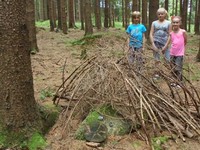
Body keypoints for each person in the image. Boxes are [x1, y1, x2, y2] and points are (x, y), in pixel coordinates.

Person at [163, 16, 187, 87]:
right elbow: (168, 41)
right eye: (174, 22)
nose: (175, 24)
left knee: (178, 68)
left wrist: (182, 49)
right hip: (172, 53)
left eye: (177, 22)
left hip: (179, 53)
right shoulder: (171, 33)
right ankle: (174, 81)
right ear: (172, 23)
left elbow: (185, 41)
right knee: (173, 68)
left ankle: (179, 82)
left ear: (180, 23)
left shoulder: (183, 32)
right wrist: (164, 47)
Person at [149, 8, 172, 78]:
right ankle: (157, 73)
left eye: (162, 14)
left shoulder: (168, 23)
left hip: (165, 43)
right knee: (156, 59)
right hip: (156, 42)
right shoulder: (154, 23)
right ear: (157, 15)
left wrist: (166, 45)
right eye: (159, 14)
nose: (160, 15)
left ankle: (169, 74)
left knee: (167, 59)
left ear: (165, 14)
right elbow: (151, 33)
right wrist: (153, 44)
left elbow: (170, 34)